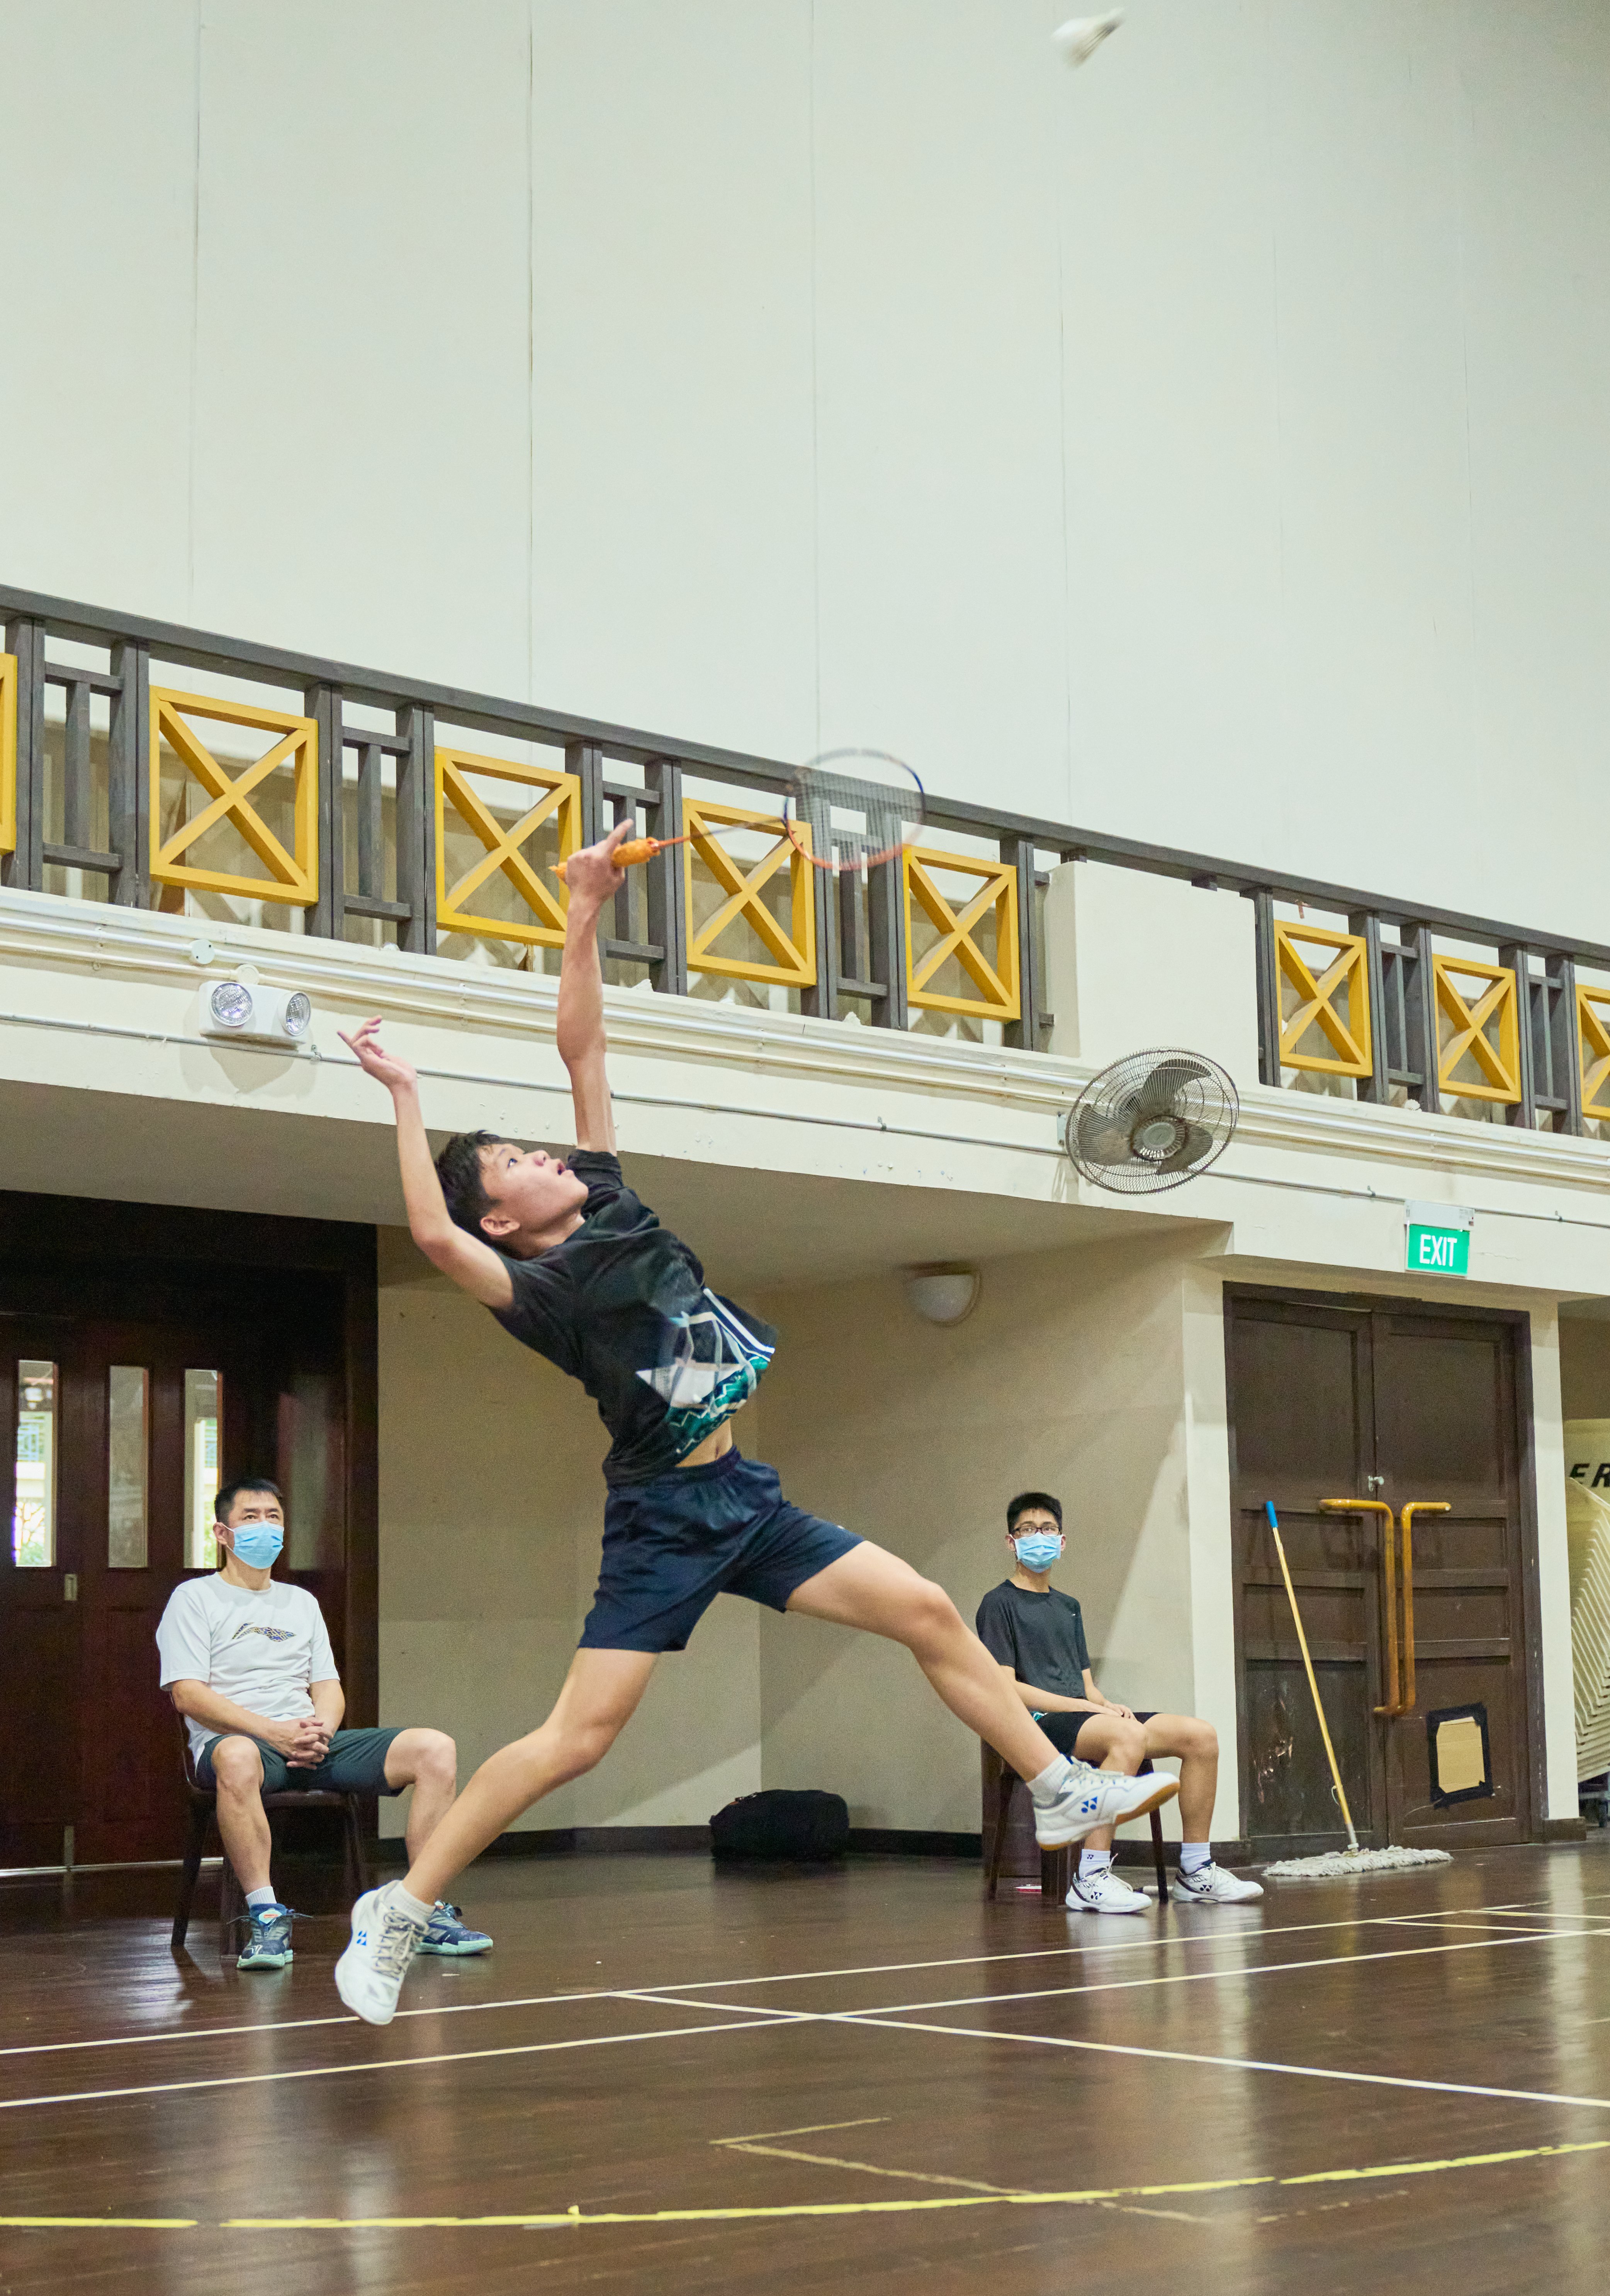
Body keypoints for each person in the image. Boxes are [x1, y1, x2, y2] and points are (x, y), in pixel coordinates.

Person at [332, 820, 1180, 2024]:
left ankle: (1053, 1786)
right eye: (516, 1158)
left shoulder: (610, 1195)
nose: (543, 1151)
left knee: (932, 1612)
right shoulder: (541, 1294)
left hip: (748, 1499)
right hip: (665, 1520)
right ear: (504, 1221)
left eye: (533, 1144)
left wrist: (583, 907)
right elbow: (428, 1235)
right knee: (575, 1740)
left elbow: (585, 1041)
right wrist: (408, 1100)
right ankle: (403, 1908)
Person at [156, 1476, 493, 1969]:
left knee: (435, 1748)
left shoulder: (301, 1603)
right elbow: (188, 1694)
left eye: (274, 1518)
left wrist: (321, 1733)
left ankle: (420, 1911)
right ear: (222, 1533)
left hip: (310, 1741)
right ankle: (266, 1917)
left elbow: (328, 1688)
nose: (265, 1528)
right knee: (237, 1754)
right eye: (251, 1518)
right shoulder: (194, 1598)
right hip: (243, 1747)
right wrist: (272, 1733)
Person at [976, 1493, 1262, 1913]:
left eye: (1048, 1529)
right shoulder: (998, 1603)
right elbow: (1006, 1689)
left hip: (1082, 1717)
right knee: (1126, 1738)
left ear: (1063, 1540)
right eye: (1028, 1530)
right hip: (1037, 1724)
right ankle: (1089, 1878)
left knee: (1199, 1736)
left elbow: (1086, 1687)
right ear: (1010, 1541)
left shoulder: (1068, 1607)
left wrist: (1106, 1706)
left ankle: (1196, 1870)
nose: (1040, 1537)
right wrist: (1086, 1711)